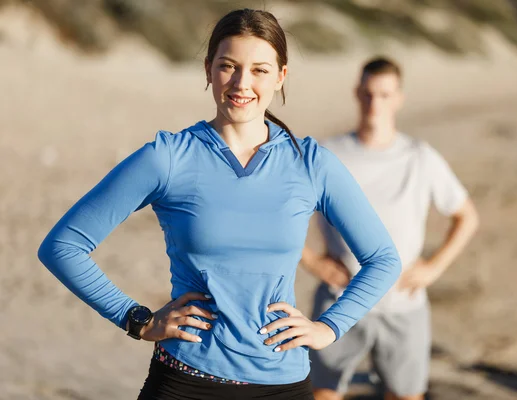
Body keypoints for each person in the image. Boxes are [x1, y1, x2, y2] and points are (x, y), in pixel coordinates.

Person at [37, 9, 402, 400]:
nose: (242, 83)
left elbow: (383, 259)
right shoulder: (168, 157)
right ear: (209, 69)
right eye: (229, 66)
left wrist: (329, 328)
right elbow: (62, 247)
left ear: (281, 76)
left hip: (282, 385)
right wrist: (136, 319)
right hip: (184, 381)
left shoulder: (311, 163)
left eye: (260, 70)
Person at [302, 57, 480, 400]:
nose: (375, 103)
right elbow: (281, 214)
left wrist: (433, 267)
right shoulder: (327, 153)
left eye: (384, 95)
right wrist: (311, 261)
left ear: (399, 98)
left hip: (404, 304)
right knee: (322, 394)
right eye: (368, 94)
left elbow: (467, 216)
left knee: (406, 395)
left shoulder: (420, 157)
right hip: (339, 300)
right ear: (357, 93)